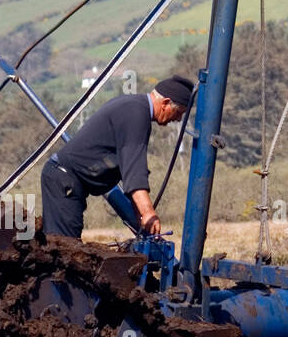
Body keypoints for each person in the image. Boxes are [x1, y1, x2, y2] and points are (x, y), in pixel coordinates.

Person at [40, 76, 193, 239]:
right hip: (64, 180)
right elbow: (135, 171)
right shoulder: (136, 114)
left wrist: (141, 220)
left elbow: (129, 171)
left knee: (64, 244)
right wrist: (148, 213)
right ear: (165, 102)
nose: (178, 119)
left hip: (65, 180)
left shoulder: (134, 108)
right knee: (64, 247)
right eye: (178, 113)